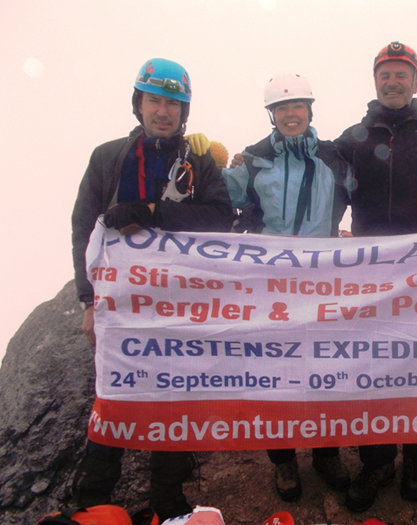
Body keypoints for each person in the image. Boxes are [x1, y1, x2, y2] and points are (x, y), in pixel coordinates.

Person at [70, 57, 234, 522]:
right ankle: (93, 500)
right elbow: (84, 229)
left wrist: (154, 214)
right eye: (154, 101)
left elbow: (221, 218)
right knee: (114, 393)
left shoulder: (199, 160)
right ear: (138, 104)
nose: (163, 111)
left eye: (173, 104)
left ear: (184, 111)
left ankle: (167, 497)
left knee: (179, 396)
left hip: (184, 304)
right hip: (121, 304)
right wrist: (88, 301)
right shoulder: (108, 157)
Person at [332, 41, 417, 513]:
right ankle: (378, 462)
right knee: (374, 368)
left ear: (416, 81)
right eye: (385, 74)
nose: (392, 82)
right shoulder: (352, 138)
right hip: (370, 276)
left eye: (401, 74)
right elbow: (308, 169)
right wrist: (243, 164)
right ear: (375, 81)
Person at [220, 73, 353, 500]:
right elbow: (218, 197)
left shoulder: (335, 158)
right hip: (270, 283)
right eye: (281, 108)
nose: (290, 114)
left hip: (322, 282)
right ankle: (283, 461)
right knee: (273, 372)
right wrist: (203, 160)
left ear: (310, 110)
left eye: (297, 106)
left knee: (324, 369)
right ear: (271, 114)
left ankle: (326, 455)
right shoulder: (254, 159)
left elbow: (372, 196)